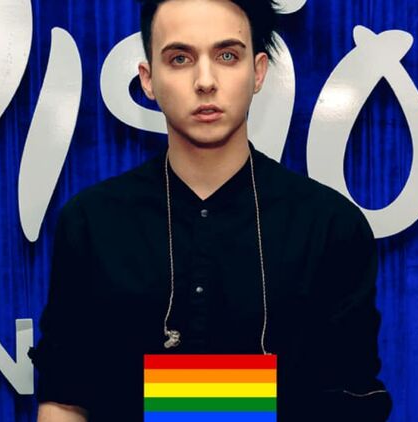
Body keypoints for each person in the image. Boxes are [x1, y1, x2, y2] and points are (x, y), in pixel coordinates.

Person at [29, 0, 392, 420]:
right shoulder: (92, 223)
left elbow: (351, 401)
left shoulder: (329, 227)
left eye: (227, 56)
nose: (205, 81)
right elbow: (64, 398)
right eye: (180, 59)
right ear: (148, 79)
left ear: (258, 72)